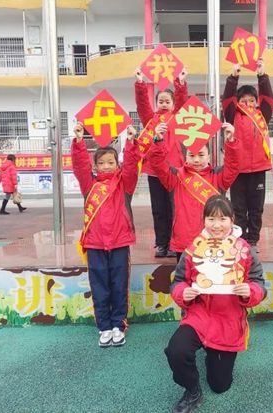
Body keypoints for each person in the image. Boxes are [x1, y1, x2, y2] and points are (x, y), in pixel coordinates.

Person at [164, 195, 267, 413]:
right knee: (176, 350)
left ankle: (213, 354)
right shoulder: (193, 248)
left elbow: (259, 283)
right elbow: (178, 282)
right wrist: (184, 293)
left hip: (228, 320)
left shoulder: (244, 249)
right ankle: (192, 391)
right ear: (204, 220)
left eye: (222, 219)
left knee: (220, 385)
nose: (216, 225)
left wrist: (250, 291)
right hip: (198, 316)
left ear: (232, 220)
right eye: (211, 219)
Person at [71, 123, 141, 347]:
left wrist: (131, 142)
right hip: (95, 244)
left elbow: (132, 167)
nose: (106, 166)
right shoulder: (89, 185)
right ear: (95, 166)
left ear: (117, 163)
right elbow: (79, 166)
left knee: (119, 286)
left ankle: (118, 325)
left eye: (111, 162)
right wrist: (79, 142)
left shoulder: (125, 185)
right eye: (101, 163)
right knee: (99, 287)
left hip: (120, 243)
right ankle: (104, 327)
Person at [147, 122, 239, 262]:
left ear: (209, 156)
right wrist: (158, 140)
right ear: (186, 156)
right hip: (184, 241)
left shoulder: (218, 176)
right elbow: (157, 164)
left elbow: (233, 165)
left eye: (201, 155)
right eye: (192, 155)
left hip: (213, 239)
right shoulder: (176, 177)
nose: (196, 160)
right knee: (185, 276)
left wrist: (231, 141)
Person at [135, 66, 189, 258]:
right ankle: (161, 244)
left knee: (175, 209)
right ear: (156, 103)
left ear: (173, 104)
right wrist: (140, 83)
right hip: (154, 171)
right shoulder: (150, 120)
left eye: (167, 101)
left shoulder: (178, 118)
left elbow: (183, 101)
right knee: (158, 210)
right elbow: (142, 105)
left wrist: (180, 83)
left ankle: (174, 244)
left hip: (174, 171)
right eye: (161, 101)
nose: (164, 104)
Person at [222, 58, 273, 251]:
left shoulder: (262, 115)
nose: (248, 103)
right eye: (243, 100)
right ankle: (240, 239)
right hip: (237, 170)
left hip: (258, 169)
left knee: (256, 209)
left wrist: (262, 75)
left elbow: (268, 98)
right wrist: (233, 77)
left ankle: (252, 241)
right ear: (238, 102)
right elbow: (227, 98)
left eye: (252, 100)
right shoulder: (232, 114)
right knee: (238, 209)